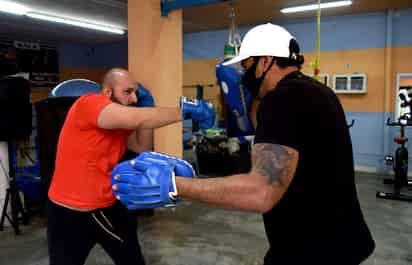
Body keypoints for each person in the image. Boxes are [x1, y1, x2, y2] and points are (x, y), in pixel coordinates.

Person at [113, 24, 375, 265]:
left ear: (265, 62)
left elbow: (261, 191)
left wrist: (174, 185)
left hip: (311, 252)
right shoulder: (319, 92)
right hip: (342, 241)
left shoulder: (282, 99)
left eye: (246, 65)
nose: (243, 74)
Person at [46, 68, 214, 265]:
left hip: (108, 207)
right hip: (69, 213)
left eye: (135, 92)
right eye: (127, 92)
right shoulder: (89, 103)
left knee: (133, 261)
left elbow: (141, 145)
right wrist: (182, 111)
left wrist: (148, 105)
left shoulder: (119, 124)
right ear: (108, 92)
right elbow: (135, 117)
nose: (134, 98)